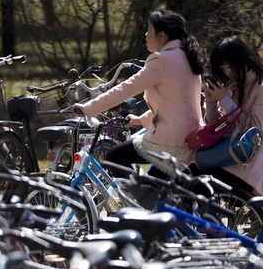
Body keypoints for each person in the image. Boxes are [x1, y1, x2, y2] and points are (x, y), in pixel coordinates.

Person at [72, 9, 206, 175]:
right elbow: (176, 107)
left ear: (161, 35)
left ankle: (143, 201)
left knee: (114, 158)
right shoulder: (187, 57)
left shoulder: (161, 60)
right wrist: (140, 120)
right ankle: (148, 199)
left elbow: (125, 89)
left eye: (149, 30)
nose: (145, 34)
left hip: (171, 142)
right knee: (159, 189)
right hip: (190, 138)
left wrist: (88, 108)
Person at [191, 36, 263, 197]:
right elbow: (217, 128)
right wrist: (211, 102)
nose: (227, 73)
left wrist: (225, 99)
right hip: (224, 157)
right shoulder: (233, 86)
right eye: (223, 69)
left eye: (229, 67)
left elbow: (253, 128)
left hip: (247, 164)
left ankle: (206, 221)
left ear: (243, 60)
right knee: (185, 176)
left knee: (194, 181)